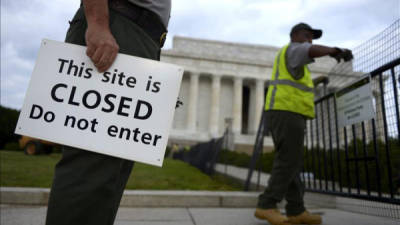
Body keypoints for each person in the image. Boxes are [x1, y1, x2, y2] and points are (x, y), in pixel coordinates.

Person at [45, 0, 170, 224]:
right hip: (117, 26)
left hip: (140, 34)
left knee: (107, 179)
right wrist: (98, 23)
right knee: (90, 171)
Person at [254, 23, 353, 225]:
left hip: (289, 111)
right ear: (296, 35)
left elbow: (297, 84)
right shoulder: (294, 49)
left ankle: (296, 209)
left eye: (312, 37)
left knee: (293, 162)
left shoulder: (294, 59)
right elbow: (309, 50)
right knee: (288, 159)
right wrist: (335, 51)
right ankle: (266, 204)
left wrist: (317, 81)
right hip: (286, 111)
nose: (310, 40)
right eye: (307, 35)